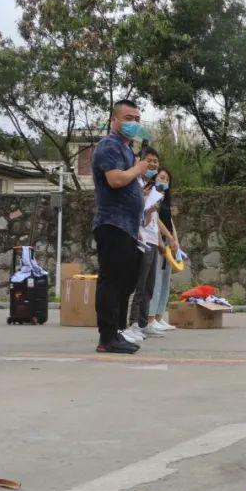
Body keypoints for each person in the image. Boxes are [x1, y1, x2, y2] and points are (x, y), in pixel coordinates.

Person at [91, 100, 150, 354]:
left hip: (127, 227)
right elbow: (115, 180)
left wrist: (136, 225)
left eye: (137, 118)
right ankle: (107, 337)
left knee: (125, 282)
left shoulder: (127, 149)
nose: (133, 123)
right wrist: (139, 168)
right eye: (128, 117)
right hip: (112, 224)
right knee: (111, 281)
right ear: (114, 120)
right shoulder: (109, 146)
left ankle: (117, 331)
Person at [127, 146, 166, 340]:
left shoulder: (152, 188)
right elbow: (137, 216)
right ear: (140, 161)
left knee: (150, 286)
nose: (152, 164)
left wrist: (160, 242)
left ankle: (143, 323)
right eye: (148, 160)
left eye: (155, 161)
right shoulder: (136, 184)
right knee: (140, 285)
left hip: (152, 240)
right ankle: (133, 323)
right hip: (141, 240)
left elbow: (152, 219)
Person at [146, 168, 180, 334]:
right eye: (161, 177)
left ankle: (159, 317)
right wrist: (163, 239)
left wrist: (175, 241)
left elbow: (170, 221)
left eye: (167, 179)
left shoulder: (165, 198)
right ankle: (150, 318)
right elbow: (156, 220)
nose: (164, 181)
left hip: (167, 241)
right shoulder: (153, 196)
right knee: (156, 280)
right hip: (157, 240)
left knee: (166, 280)